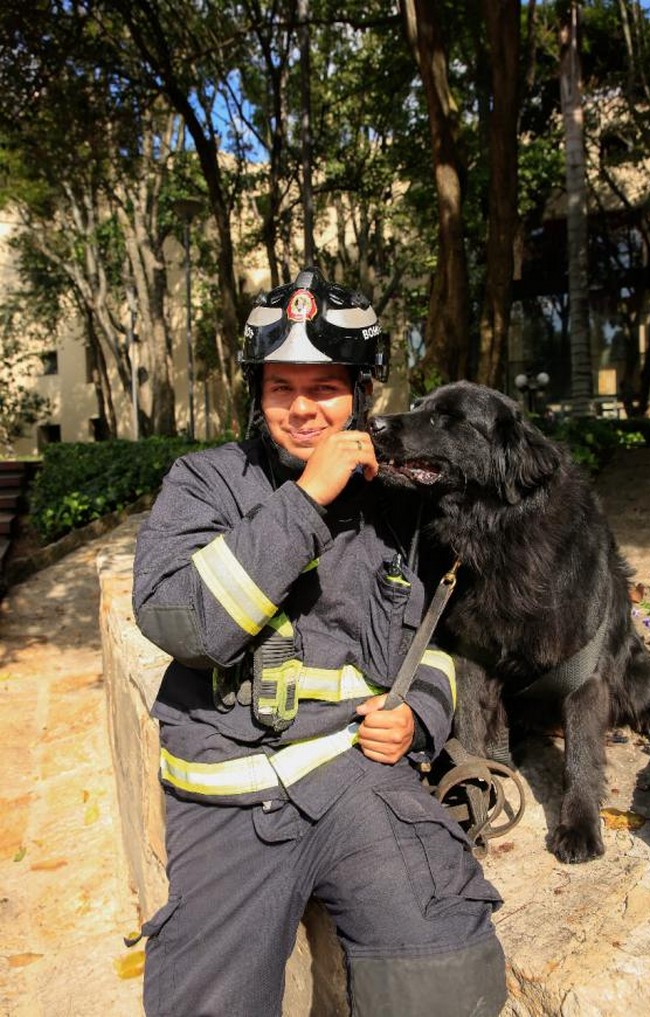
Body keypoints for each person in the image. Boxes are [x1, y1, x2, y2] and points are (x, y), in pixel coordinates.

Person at [132, 268, 507, 1017]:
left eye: (325, 389)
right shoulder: (204, 483)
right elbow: (178, 617)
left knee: (449, 976)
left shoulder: (401, 502)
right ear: (257, 392)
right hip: (227, 795)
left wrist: (421, 717)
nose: (302, 410)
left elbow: (438, 639)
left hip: (357, 780)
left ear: (363, 393)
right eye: (281, 388)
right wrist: (305, 502)